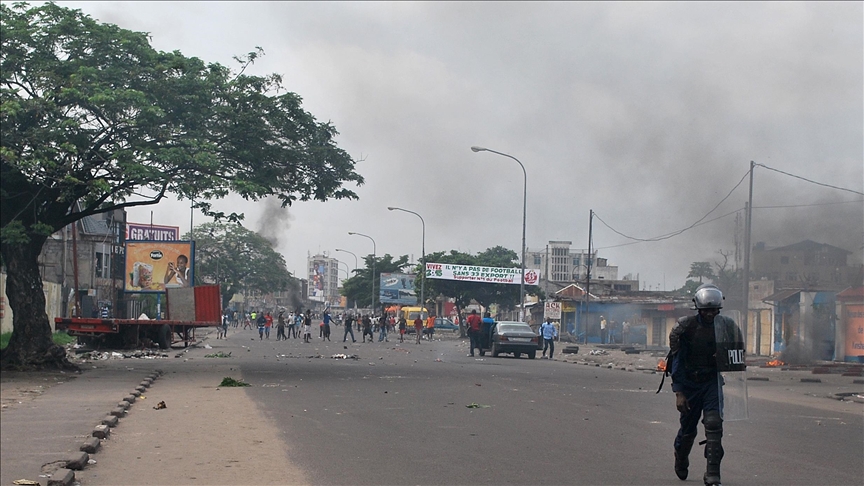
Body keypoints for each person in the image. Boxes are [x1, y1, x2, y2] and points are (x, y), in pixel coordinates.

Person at [664, 284, 745, 486]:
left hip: (711, 382)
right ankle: (681, 455)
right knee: (688, 429)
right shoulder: (686, 328)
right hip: (689, 383)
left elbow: (736, 355)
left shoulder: (726, 326)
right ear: (698, 309)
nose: (711, 314)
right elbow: (677, 362)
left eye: (714, 310)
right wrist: (679, 392)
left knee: (714, 425)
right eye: (706, 310)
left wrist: (724, 357)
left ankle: (712, 474)